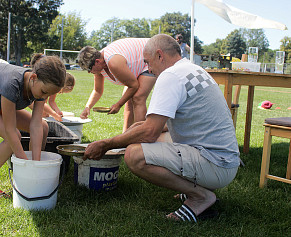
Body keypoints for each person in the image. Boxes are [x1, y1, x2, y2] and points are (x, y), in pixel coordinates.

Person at [83, 34, 240, 223]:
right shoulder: (191, 69)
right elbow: (154, 125)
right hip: (225, 159)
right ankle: (197, 187)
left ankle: (200, 196)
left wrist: (107, 144)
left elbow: (150, 132)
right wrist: (128, 134)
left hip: (216, 164)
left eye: (148, 62)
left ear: (160, 55)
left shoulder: (170, 76)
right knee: (147, 137)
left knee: (134, 155)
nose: (148, 69)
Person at [0, 54, 66, 200]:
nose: (43, 97)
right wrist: (25, 166)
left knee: (43, 126)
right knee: (13, 136)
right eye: (44, 92)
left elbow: (36, 124)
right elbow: (9, 130)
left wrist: (35, 163)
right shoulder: (11, 83)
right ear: (33, 77)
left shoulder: (40, 85)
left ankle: (29, 177)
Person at [77, 38, 156, 132]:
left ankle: (140, 136)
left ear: (97, 61)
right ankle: (126, 135)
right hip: (137, 63)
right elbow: (97, 91)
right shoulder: (99, 66)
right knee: (128, 101)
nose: (89, 72)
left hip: (152, 55)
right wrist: (87, 107)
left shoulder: (113, 62)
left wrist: (118, 105)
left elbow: (133, 85)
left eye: (89, 68)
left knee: (137, 98)